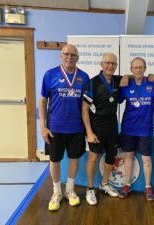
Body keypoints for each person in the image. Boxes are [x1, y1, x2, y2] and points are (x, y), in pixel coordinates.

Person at [39, 44, 89, 211]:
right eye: (66, 54)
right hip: (55, 128)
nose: (70, 57)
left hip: (76, 128)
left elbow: (85, 106)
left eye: (73, 54)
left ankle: (69, 190)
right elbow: (43, 100)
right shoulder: (50, 74)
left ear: (78, 57)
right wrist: (42, 126)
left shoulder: (84, 77)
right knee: (54, 160)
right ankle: (56, 192)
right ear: (61, 55)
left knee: (74, 159)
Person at [82, 53, 129, 205]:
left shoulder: (117, 80)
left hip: (112, 125)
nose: (110, 66)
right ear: (101, 64)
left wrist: (127, 76)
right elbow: (84, 109)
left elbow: (135, 76)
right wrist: (89, 132)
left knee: (111, 156)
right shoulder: (92, 83)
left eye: (113, 64)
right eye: (107, 63)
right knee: (94, 157)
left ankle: (104, 183)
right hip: (96, 126)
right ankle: (90, 189)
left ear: (116, 66)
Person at [117, 57, 154, 201]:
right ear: (131, 69)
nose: (138, 69)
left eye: (141, 67)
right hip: (129, 128)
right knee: (128, 156)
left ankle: (148, 187)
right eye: (135, 67)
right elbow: (118, 100)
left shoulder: (152, 83)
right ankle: (126, 184)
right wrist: (125, 77)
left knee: (146, 159)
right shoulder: (125, 84)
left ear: (145, 68)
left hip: (145, 129)